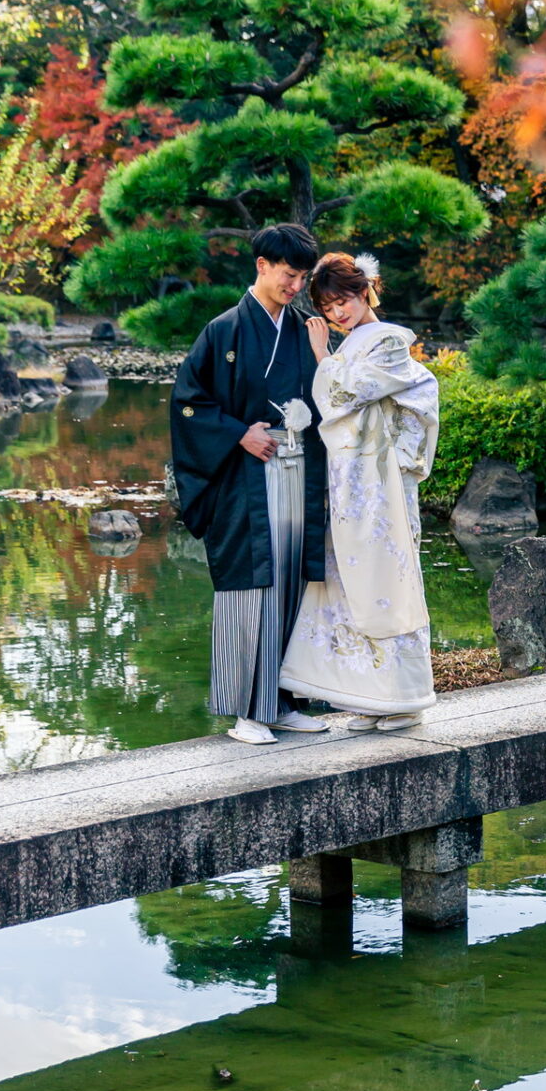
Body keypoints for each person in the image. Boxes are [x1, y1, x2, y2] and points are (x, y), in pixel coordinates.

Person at [169, 223, 331, 747]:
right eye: (289, 275)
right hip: (246, 476)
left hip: (298, 467)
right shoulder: (224, 331)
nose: (296, 286)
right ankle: (245, 710)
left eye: (303, 278)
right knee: (251, 587)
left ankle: (283, 702)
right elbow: (188, 402)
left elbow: (335, 393)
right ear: (261, 265)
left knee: (291, 582)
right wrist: (238, 433)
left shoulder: (308, 328)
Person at [278, 249, 441, 734]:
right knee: (350, 582)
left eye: (344, 299)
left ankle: (406, 699)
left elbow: (346, 395)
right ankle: (371, 699)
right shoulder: (355, 345)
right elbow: (339, 403)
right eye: (328, 307)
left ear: (365, 288)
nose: (339, 312)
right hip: (350, 483)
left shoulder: (388, 340)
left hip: (382, 484)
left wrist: (323, 358)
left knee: (388, 577)